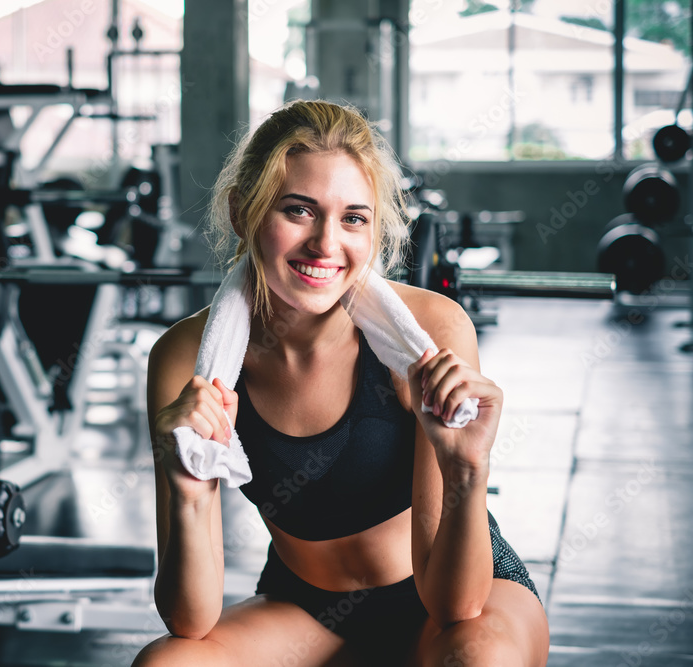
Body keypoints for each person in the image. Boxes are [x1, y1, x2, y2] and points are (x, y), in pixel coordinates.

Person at [132, 100, 549, 666]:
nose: (326, 244)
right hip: (307, 606)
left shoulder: (429, 333)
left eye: (353, 218)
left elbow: (456, 603)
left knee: (475, 659)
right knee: (167, 664)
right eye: (299, 211)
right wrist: (185, 489)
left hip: (455, 592)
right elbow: (189, 620)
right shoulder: (187, 360)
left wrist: (467, 469)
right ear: (243, 212)